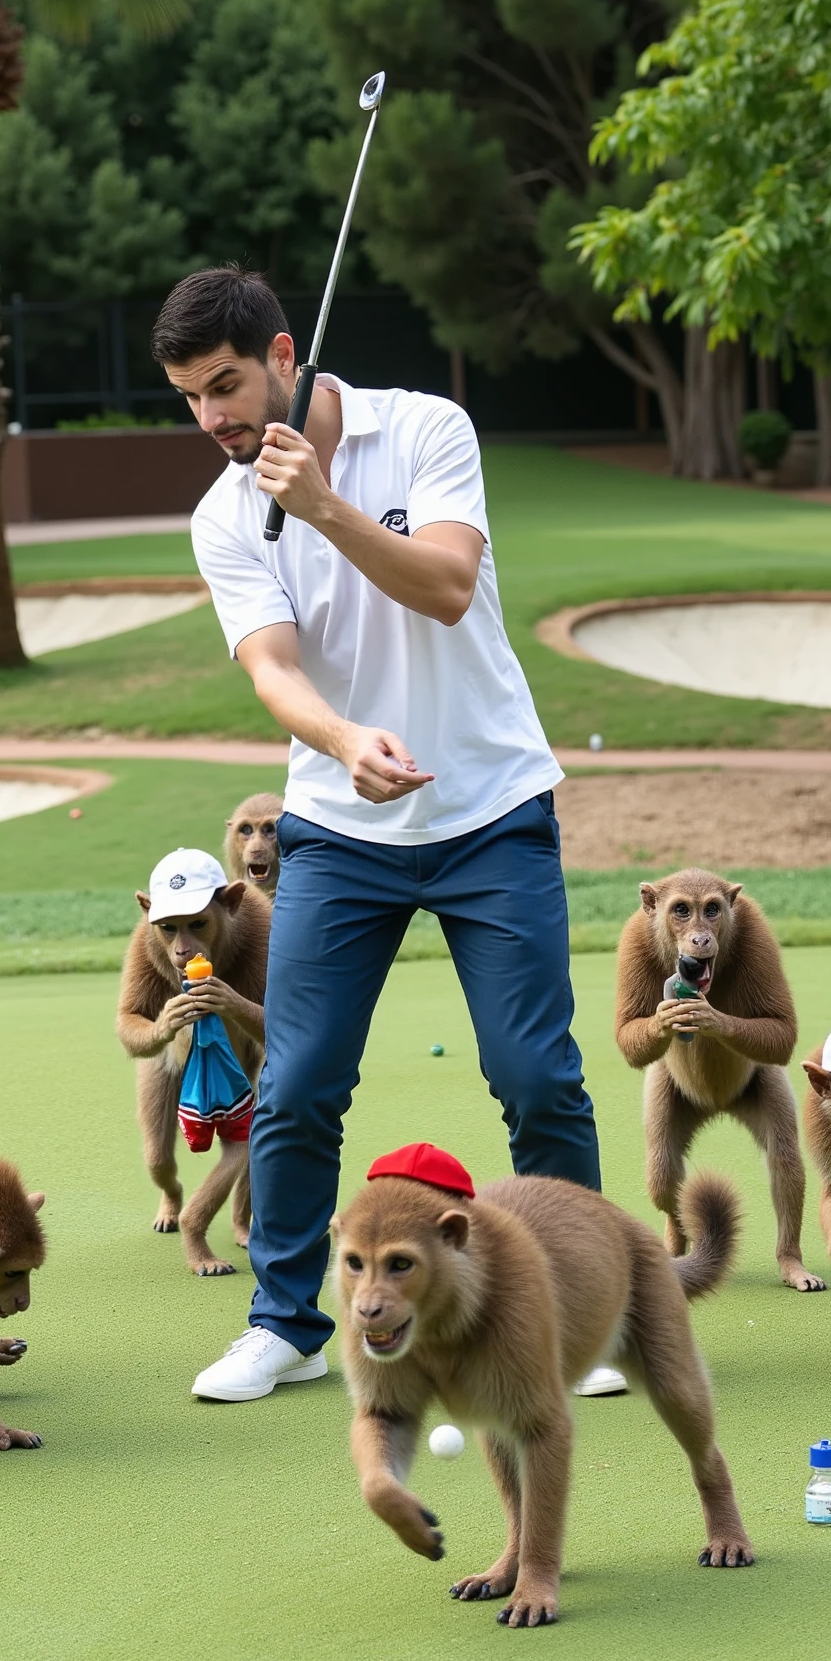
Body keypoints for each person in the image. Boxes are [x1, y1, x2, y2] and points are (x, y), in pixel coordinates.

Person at [153, 266, 620, 1403]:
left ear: (280, 354)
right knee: (303, 1079)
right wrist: (343, 737)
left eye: (224, 385)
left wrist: (323, 506)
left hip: (489, 807)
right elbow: (271, 670)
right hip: (338, 821)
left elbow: (451, 584)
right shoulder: (222, 514)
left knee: (534, 1072)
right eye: (188, 399)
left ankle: (577, 1316)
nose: (211, 418)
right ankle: (286, 1323)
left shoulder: (422, 426)